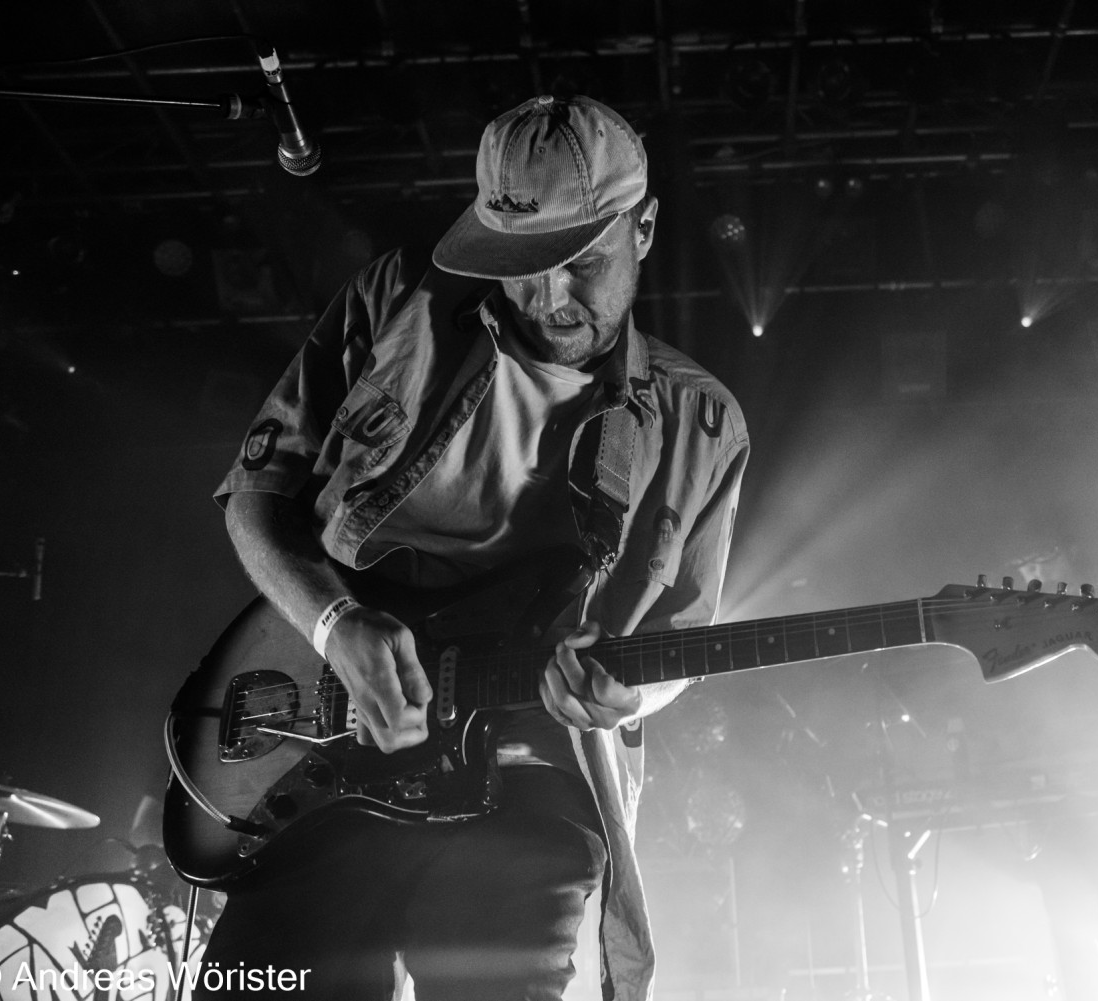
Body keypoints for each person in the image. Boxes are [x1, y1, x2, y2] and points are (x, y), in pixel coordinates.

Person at [196, 94, 749, 1001]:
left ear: (643, 228)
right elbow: (255, 498)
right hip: (334, 755)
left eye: (582, 262)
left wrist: (628, 688)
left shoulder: (702, 425)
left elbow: (684, 635)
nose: (550, 297)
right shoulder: (396, 303)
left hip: (530, 781)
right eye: (522, 268)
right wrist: (335, 623)